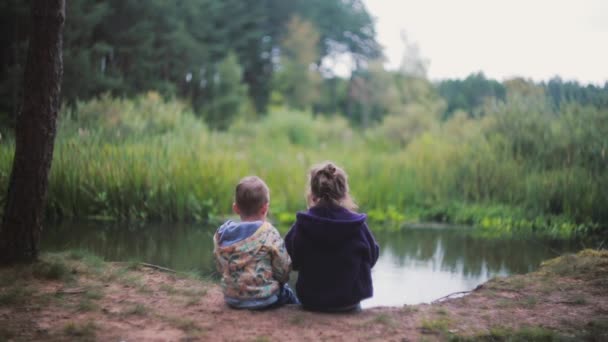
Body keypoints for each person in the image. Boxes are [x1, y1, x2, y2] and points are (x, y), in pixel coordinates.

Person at [285, 161, 379, 312]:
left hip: (312, 301)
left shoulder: (302, 224)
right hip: (349, 302)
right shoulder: (358, 225)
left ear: (313, 194)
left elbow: (291, 260)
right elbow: (372, 257)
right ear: (344, 193)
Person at [213, 176, 298, 309]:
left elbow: (220, 265)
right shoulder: (269, 233)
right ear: (265, 209)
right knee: (287, 290)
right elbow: (283, 271)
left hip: (231, 297)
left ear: (236, 208)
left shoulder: (222, 234)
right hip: (265, 299)